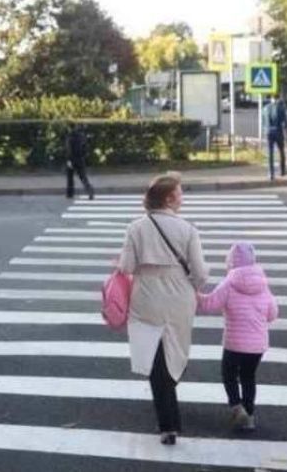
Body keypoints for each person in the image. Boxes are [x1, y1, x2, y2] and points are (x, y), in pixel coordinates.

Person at [116, 173, 209, 444]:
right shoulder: (188, 229)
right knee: (176, 349)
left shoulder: (136, 227)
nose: (182, 197)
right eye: (180, 193)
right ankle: (170, 402)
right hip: (179, 296)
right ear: (169, 198)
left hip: (146, 295)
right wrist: (194, 284)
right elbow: (200, 272)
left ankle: (167, 422)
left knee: (154, 354)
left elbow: (126, 267)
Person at [196, 241, 279, 432]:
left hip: (234, 343)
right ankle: (249, 416)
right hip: (257, 346)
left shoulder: (229, 283)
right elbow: (272, 314)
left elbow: (209, 305)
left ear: (231, 262)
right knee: (249, 377)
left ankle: (236, 405)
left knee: (229, 375)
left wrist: (195, 294)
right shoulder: (263, 284)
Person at [65, 124, 94, 200]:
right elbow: (85, 148)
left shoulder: (70, 137)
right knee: (83, 177)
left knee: (70, 177)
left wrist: (69, 160)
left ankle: (70, 193)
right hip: (80, 159)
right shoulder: (82, 137)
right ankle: (90, 190)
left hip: (72, 159)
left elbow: (69, 150)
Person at [263, 96, 287, 180]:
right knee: (281, 151)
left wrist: (265, 130)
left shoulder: (265, 108)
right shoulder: (281, 108)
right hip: (278, 132)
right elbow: (285, 123)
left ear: (271, 99)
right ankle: (282, 170)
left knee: (270, 153)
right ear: (277, 99)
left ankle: (271, 173)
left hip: (268, 132)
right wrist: (286, 135)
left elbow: (263, 121)